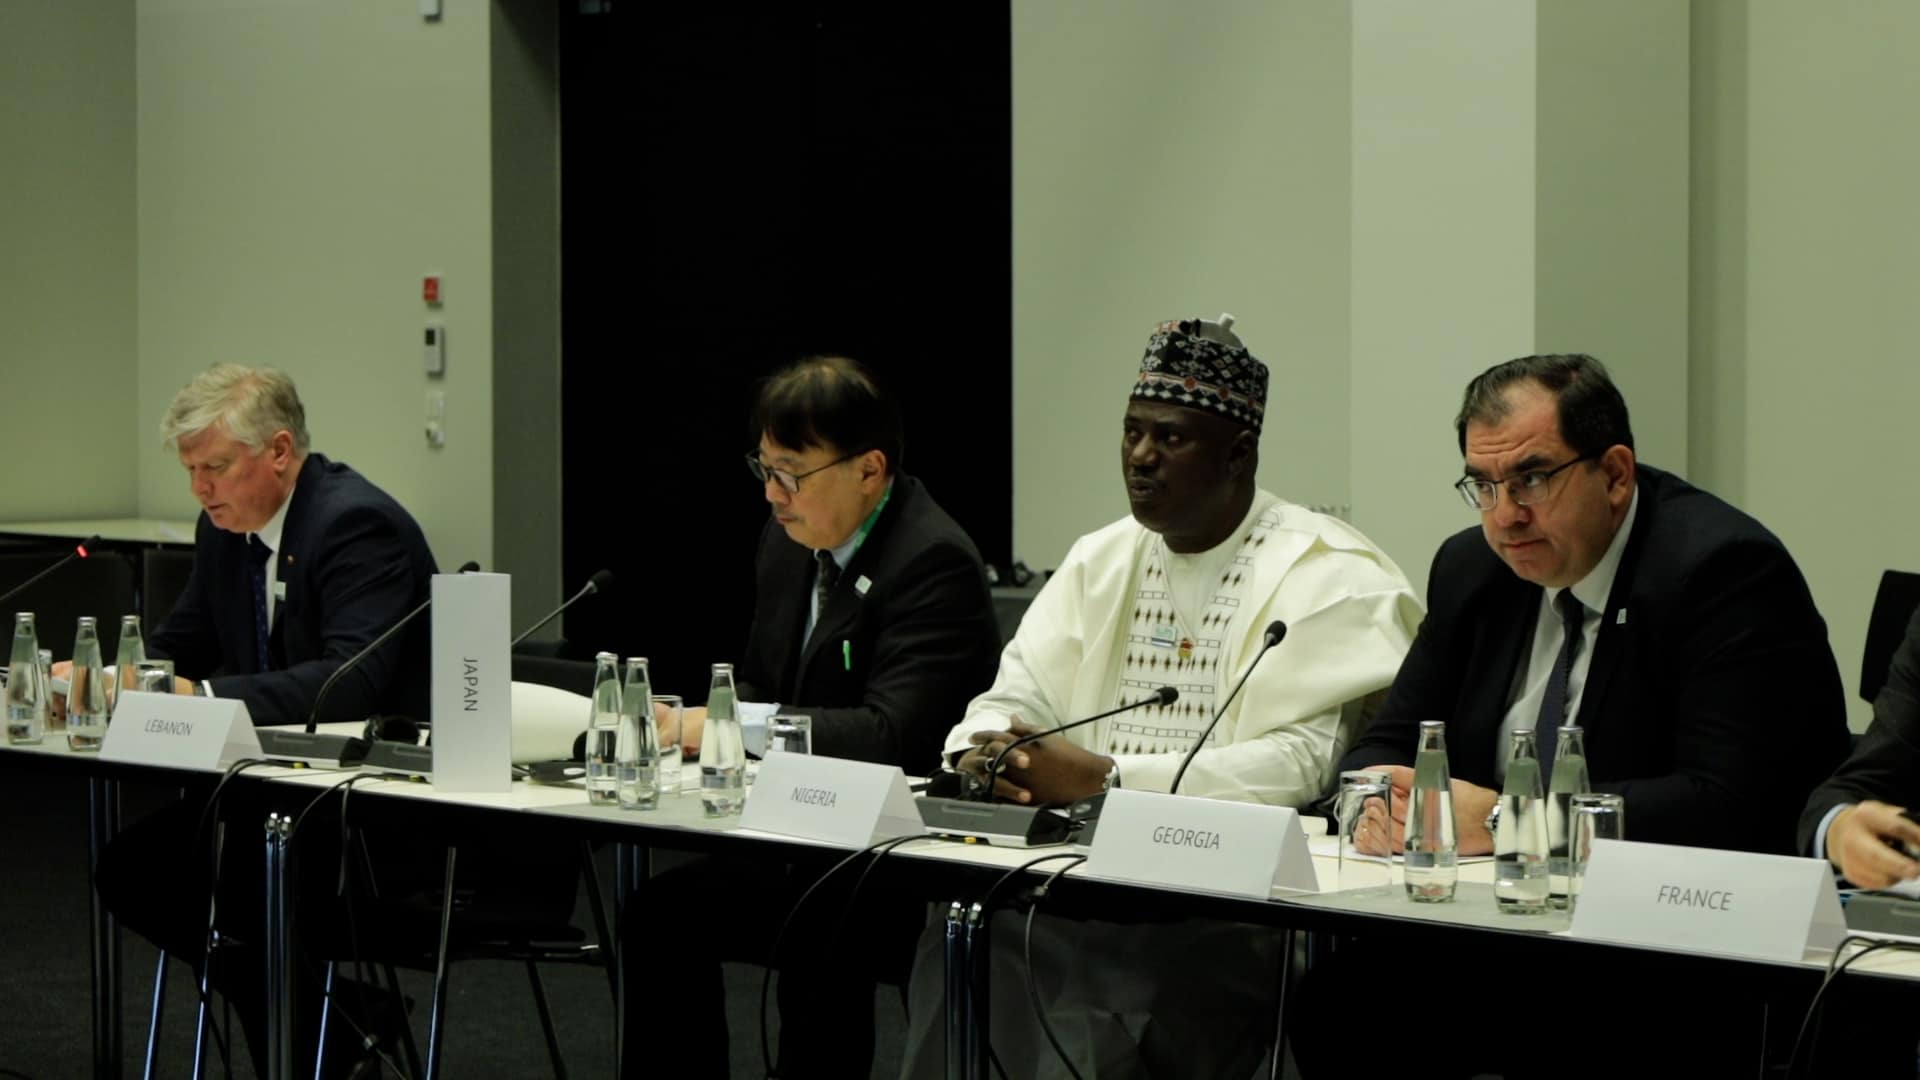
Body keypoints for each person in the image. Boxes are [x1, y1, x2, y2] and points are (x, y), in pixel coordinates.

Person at [1293, 353, 1852, 1079]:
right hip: (1499, 924)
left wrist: (1510, 820)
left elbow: (1728, 805)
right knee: (1341, 1005)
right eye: (1484, 485)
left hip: (1667, 949)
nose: (1505, 515)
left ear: (1614, 474)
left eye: (1531, 479)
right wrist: (1379, 804)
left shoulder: (1722, 571)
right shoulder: (1475, 569)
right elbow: (1390, 741)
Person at [901, 315, 1422, 1077]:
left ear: (1239, 452)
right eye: (1132, 431)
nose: (1140, 456)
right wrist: (988, 752)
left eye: (1170, 437)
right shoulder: (1101, 557)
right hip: (1064, 878)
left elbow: (1302, 763)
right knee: (957, 939)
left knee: (1106, 984)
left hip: (1223, 907)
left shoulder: (1327, 570)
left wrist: (1110, 780)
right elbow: (1012, 697)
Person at [629, 355, 1000, 1079]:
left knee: (819, 929)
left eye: (792, 474)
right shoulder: (788, 542)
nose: (773, 494)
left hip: (901, 859)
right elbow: (763, 681)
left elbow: (894, 736)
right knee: (659, 913)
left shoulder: (933, 562)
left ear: (869, 469)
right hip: (798, 831)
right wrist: (698, 727)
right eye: (764, 469)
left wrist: (731, 727)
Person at [92, 364, 439, 1076]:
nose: (200, 489)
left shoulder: (353, 525)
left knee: (235, 889)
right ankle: (339, 1025)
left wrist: (198, 696)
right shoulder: (225, 528)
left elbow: (349, 685)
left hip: (379, 807)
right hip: (275, 793)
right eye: (190, 471)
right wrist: (114, 679)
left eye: (215, 467)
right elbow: (183, 642)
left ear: (279, 451)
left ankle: (322, 1038)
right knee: (136, 871)